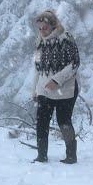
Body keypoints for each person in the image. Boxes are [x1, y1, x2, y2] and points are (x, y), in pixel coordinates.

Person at [31, 10, 81, 164]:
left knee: (64, 121)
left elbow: (74, 64)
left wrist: (56, 81)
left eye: (44, 28)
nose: (41, 31)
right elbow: (37, 68)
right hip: (44, 89)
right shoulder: (39, 42)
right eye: (39, 28)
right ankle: (41, 156)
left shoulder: (66, 39)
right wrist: (35, 89)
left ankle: (71, 156)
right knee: (41, 122)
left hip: (66, 88)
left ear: (53, 26)